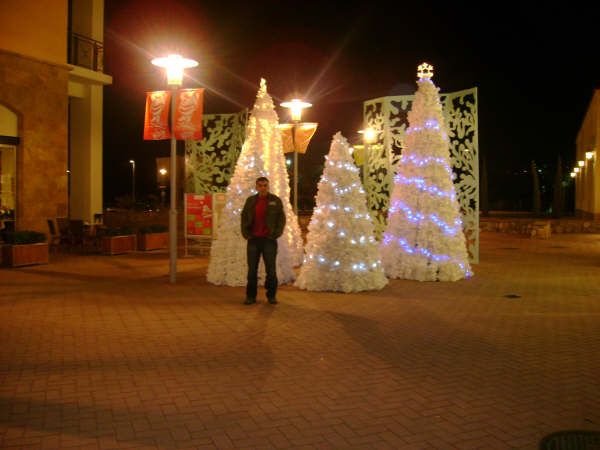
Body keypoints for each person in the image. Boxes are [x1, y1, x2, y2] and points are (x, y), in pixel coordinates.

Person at [241, 177, 286, 305]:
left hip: (269, 241)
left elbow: (281, 219)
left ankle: (271, 296)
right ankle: (250, 296)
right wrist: (246, 233)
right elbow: (244, 217)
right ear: (256, 187)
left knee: (271, 271)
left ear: (268, 186)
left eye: (265, 185)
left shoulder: (275, 201)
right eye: (260, 185)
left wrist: (276, 234)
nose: (263, 188)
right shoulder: (250, 201)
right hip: (253, 240)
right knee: (252, 271)